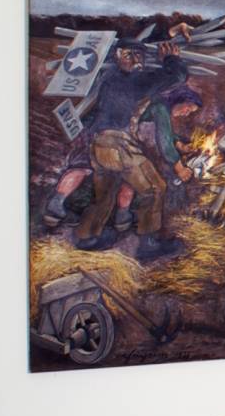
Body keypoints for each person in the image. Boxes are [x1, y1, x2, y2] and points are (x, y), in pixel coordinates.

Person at [73, 42, 188, 259]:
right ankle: (148, 245)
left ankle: (87, 238)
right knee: (154, 187)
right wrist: (171, 59)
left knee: (104, 194)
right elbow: (176, 77)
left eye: (139, 55)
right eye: (128, 54)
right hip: (118, 144)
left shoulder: (108, 78)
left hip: (99, 145)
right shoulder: (135, 80)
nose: (135, 60)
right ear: (117, 57)